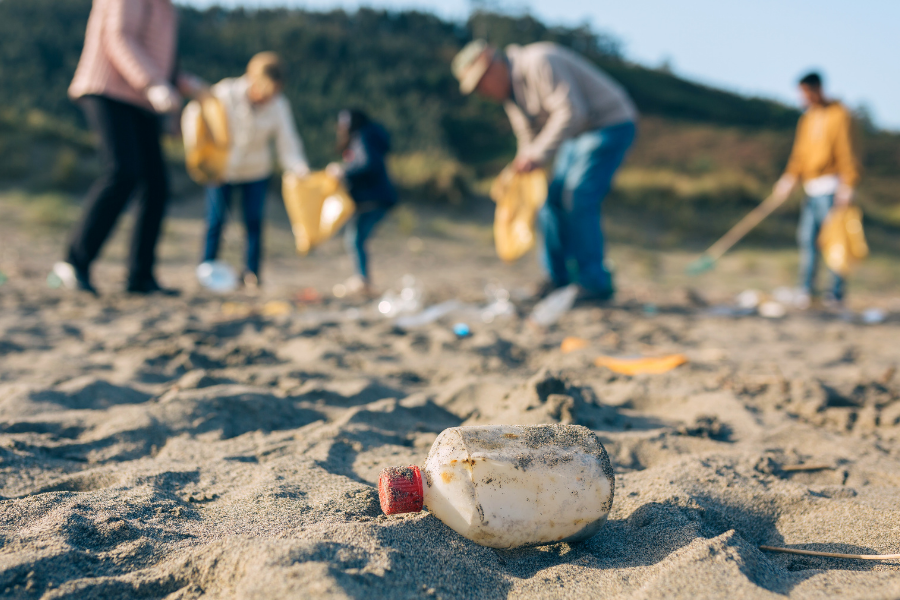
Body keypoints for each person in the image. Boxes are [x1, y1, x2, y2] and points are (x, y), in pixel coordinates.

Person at [451, 40, 638, 302]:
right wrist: (520, 166)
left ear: (492, 66)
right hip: (577, 136)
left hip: (609, 124)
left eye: (480, 83)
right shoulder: (511, 94)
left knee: (578, 196)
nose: (482, 92)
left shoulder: (539, 60)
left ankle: (594, 282)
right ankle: (557, 278)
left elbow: (570, 111)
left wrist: (537, 156)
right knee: (549, 202)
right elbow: (527, 135)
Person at [54, 0, 202, 296]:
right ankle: (74, 263)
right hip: (107, 90)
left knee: (156, 184)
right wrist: (152, 84)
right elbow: (119, 38)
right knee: (123, 171)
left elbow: (162, 58)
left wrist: (179, 88)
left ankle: (141, 276)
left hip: (141, 100)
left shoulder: (167, 8)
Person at [185, 52, 310, 289]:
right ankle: (206, 269)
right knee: (215, 220)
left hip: (256, 172)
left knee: (254, 223)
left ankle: (251, 274)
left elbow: (288, 143)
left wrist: (298, 169)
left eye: (274, 92)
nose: (268, 98)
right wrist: (203, 161)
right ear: (252, 79)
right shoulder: (223, 94)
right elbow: (197, 121)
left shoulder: (280, 105)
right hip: (222, 172)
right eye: (265, 91)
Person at [771, 72, 860, 309]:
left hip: (832, 187)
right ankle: (806, 290)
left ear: (817, 89)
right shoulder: (807, 119)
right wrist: (788, 179)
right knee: (807, 239)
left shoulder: (840, 114)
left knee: (834, 242)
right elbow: (799, 155)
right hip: (810, 189)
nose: (802, 98)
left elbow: (846, 152)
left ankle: (836, 294)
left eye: (805, 92)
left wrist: (848, 184)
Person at [326, 109, 397, 296]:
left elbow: (367, 164)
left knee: (355, 238)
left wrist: (344, 172)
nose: (340, 128)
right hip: (378, 197)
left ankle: (362, 280)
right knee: (357, 238)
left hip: (371, 198)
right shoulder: (369, 137)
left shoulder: (362, 137)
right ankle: (362, 279)